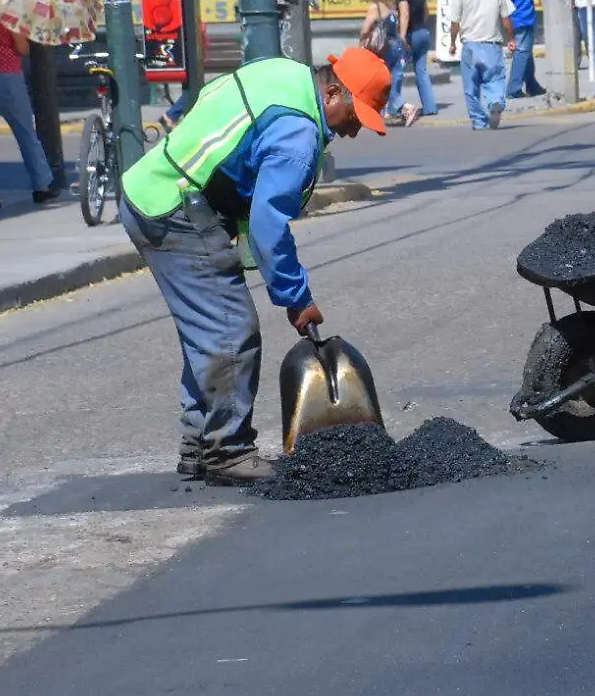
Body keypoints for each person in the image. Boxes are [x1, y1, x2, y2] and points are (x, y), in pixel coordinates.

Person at [117, 47, 392, 484]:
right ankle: (227, 451)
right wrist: (297, 297)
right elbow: (268, 228)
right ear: (334, 90)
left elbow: (215, 108)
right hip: (177, 208)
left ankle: (198, 446)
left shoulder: (282, 73)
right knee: (229, 329)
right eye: (355, 116)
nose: (354, 130)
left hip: (152, 191)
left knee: (206, 330)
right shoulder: (298, 135)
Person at [0, 9, 59, 209]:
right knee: (26, 133)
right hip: (7, 76)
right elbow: (22, 48)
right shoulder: (8, 12)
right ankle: (41, 186)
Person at [447, 0, 515, 130]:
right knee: (495, 78)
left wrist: (453, 43)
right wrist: (511, 39)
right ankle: (494, 102)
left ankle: (479, 121)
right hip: (492, 44)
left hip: (470, 45)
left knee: (471, 87)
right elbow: (506, 19)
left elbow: (455, 22)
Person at [389, 0, 437, 124]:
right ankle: (430, 107)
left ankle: (395, 108)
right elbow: (426, 12)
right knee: (421, 70)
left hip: (410, 35)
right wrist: (420, 25)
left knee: (397, 71)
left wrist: (402, 35)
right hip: (423, 33)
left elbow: (405, 14)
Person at [499, 0, 546, 99]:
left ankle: (532, 84)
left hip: (510, 12)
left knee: (526, 51)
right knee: (522, 52)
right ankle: (513, 89)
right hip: (522, 14)